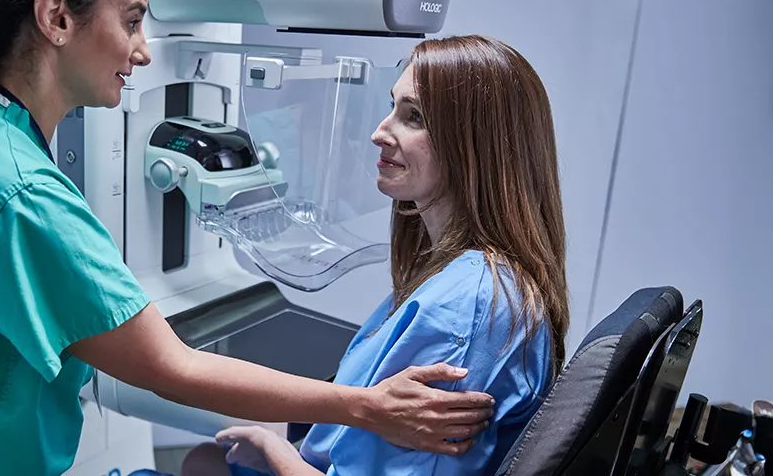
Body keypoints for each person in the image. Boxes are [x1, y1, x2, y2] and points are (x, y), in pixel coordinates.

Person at [0, 0, 496, 476]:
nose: (145, 51)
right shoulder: (16, 190)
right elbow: (168, 366)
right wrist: (366, 408)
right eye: (133, 19)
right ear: (56, 18)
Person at [178, 35, 571, 476]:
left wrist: (278, 455)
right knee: (203, 462)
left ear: (475, 145)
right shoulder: (464, 275)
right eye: (392, 107)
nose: (379, 132)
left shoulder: (467, 307)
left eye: (414, 117)